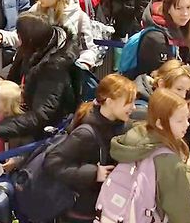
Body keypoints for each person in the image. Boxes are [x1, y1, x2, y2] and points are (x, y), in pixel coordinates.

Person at [44, 74, 137, 222]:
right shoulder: (86, 133)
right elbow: (52, 163)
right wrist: (94, 173)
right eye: (129, 102)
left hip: (105, 206)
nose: (134, 107)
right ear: (109, 102)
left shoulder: (120, 126)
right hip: (81, 212)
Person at [109, 89, 190, 223]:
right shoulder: (168, 161)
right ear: (160, 123)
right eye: (180, 120)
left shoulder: (131, 139)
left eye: (187, 118)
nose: (187, 124)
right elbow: (185, 215)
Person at [0, 13, 78, 141]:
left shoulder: (54, 68)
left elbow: (42, 115)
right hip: (26, 105)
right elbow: (19, 65)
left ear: (29, 40)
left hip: (44, 130)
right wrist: (3, 78)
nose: (17, 39)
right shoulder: (38, 44)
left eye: (19, 35)